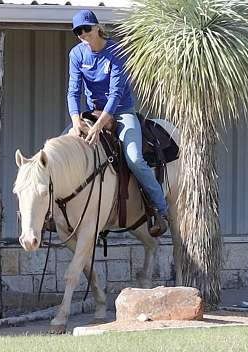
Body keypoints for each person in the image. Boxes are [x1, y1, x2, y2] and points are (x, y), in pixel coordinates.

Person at [66, 9, 168, 236]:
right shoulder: (76, 55)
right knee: (65, 148)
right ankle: (63, 213)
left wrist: (100, 126)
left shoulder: (115, 51)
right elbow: (73, 92)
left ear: (97, 27)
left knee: (134, 158)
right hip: (91, 112)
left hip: (121, 112)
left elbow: (115, 95)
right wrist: (75, 122)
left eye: (86, 29)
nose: (83, 35)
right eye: (78, 32)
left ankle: (160, 209)